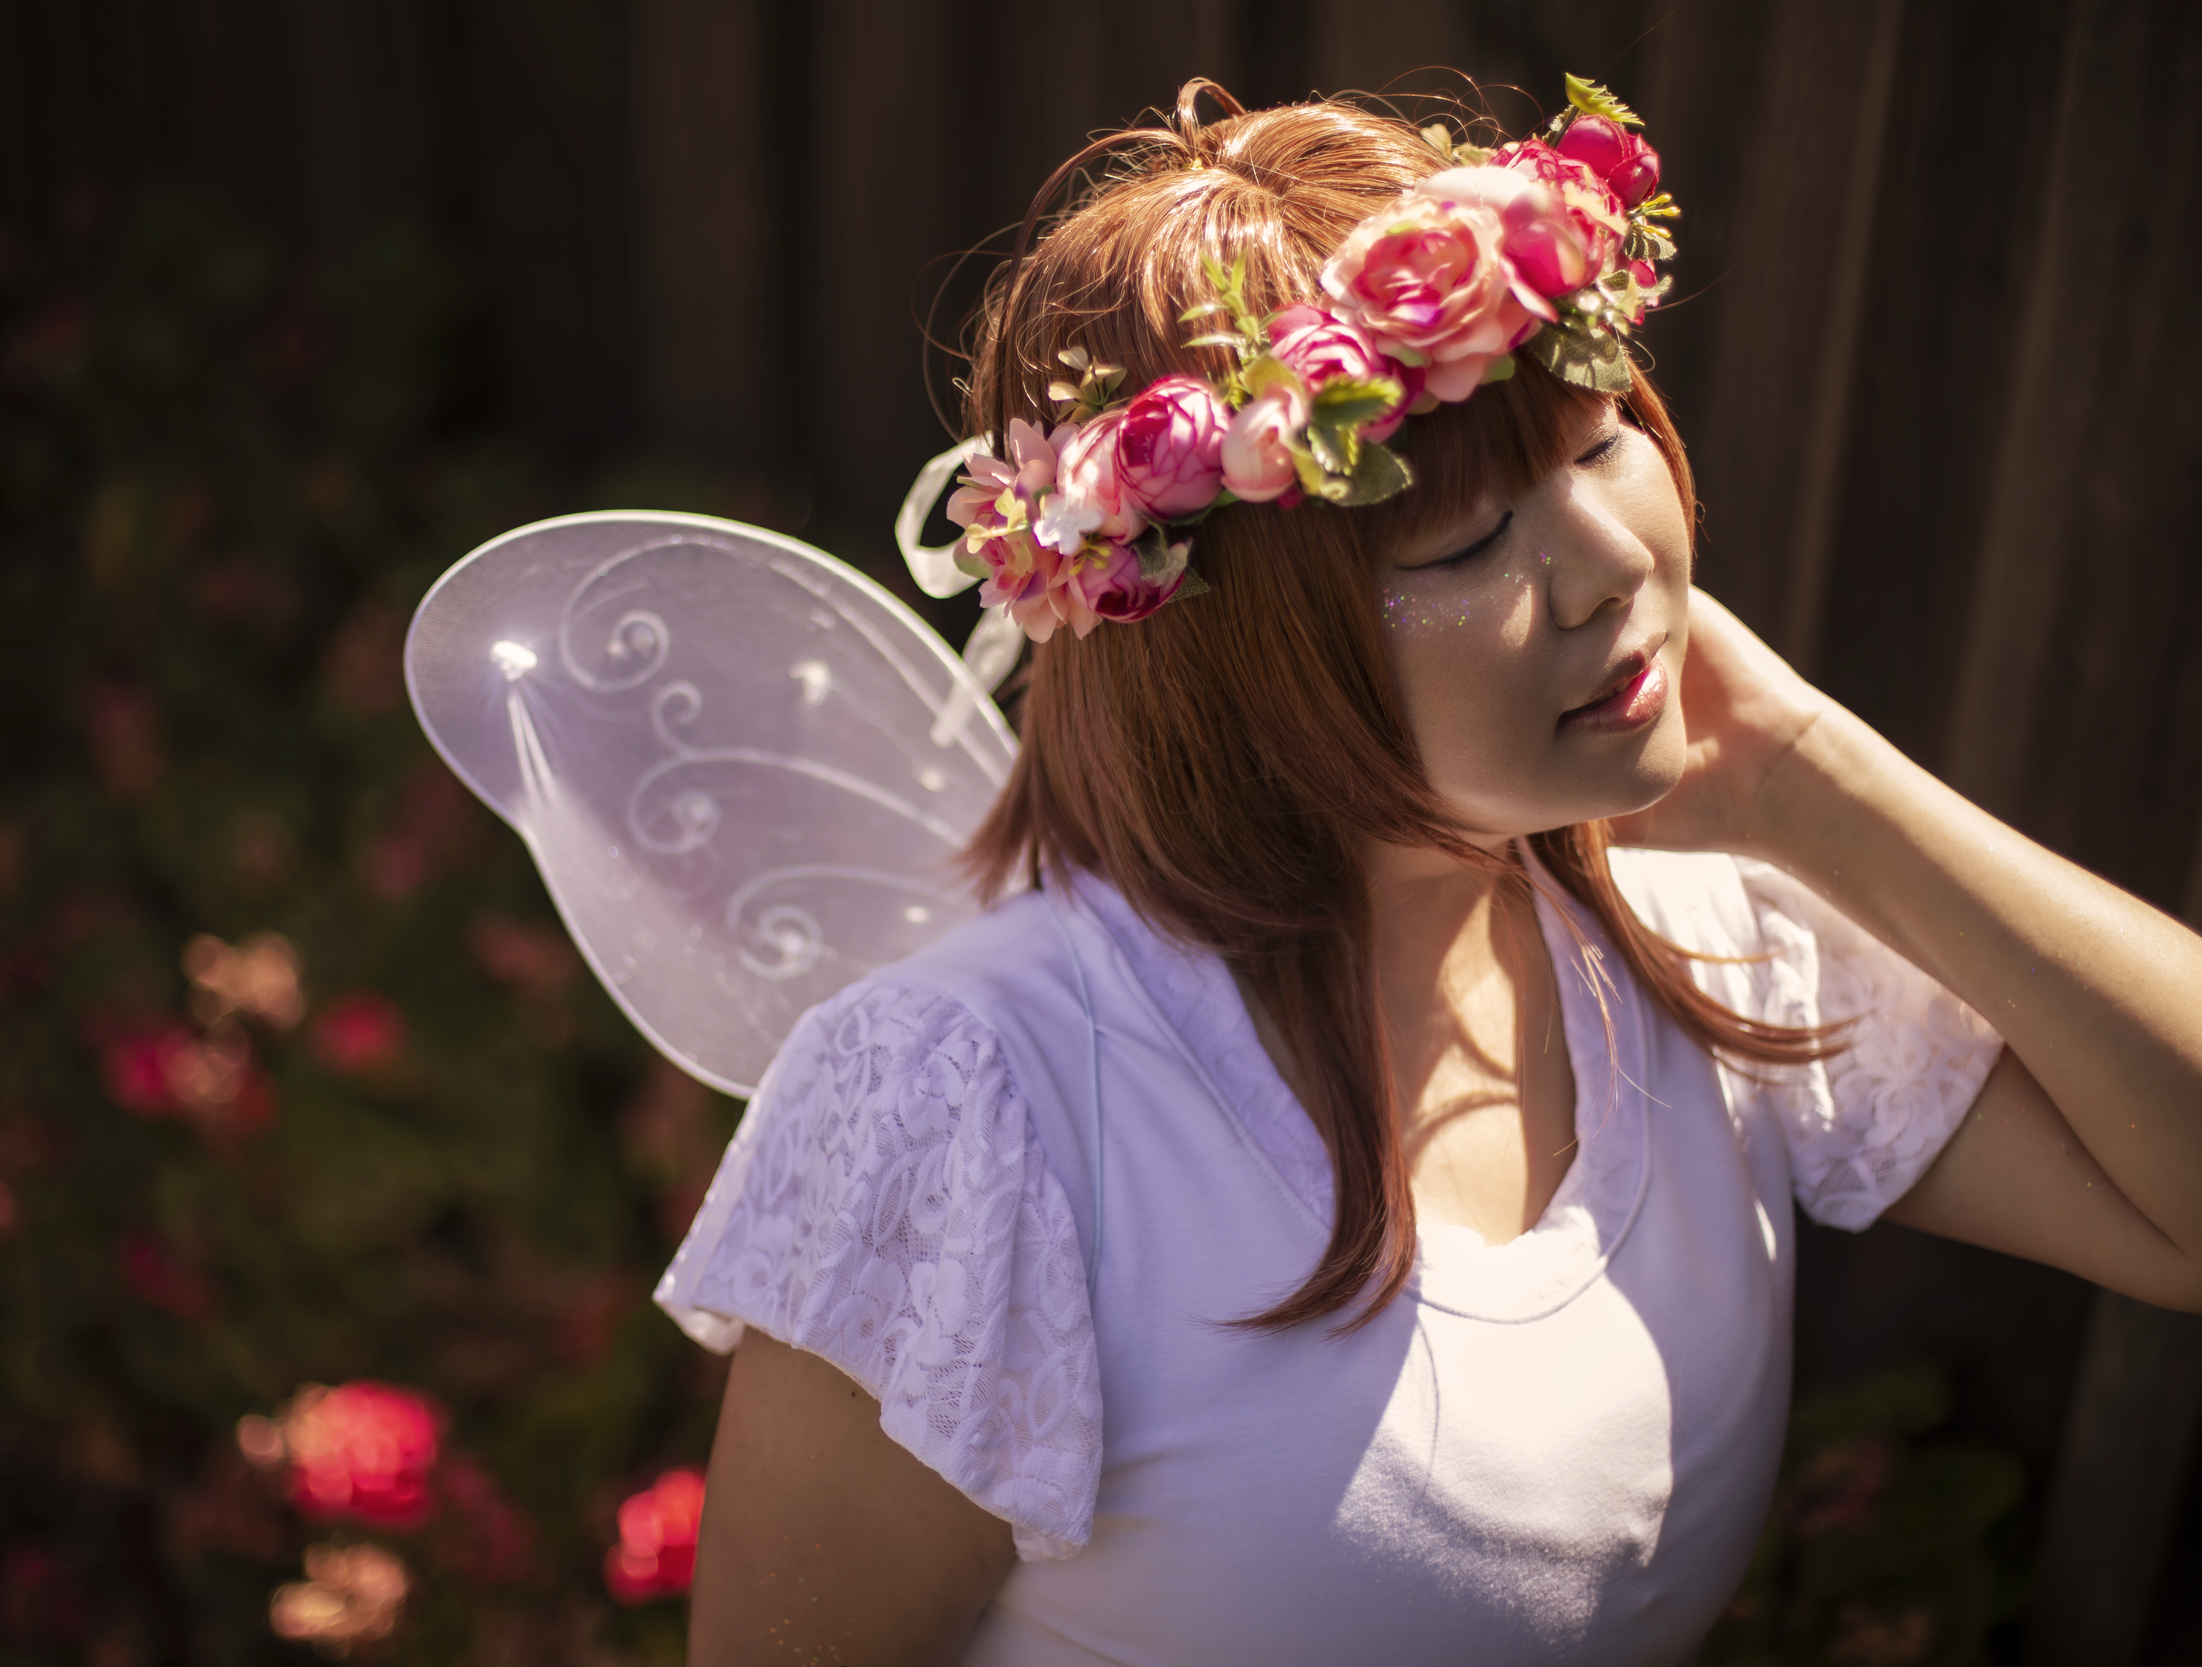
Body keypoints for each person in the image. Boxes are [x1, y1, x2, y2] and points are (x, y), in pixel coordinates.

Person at [651, 80, 2202, 1663]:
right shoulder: (973, 1102)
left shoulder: (1689, 919)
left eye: (1603, 443)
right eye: (1462, 545)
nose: (1608, 561)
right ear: (1239, 650)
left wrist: (1814, 777)